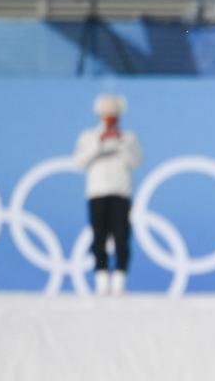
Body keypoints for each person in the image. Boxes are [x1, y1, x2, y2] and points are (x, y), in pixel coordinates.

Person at [72, 93, 142, 296]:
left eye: (114, 116)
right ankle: (101, 278)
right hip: (97, 193)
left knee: (122, 237)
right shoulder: (89, 136)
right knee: (99, 237)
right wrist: (99, 144)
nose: (110, 120)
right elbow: (79, 161)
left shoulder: (128, 138)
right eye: (107, 116)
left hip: (121, 193)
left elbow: (136, 161)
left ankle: (120, 278)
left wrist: (121, 143)